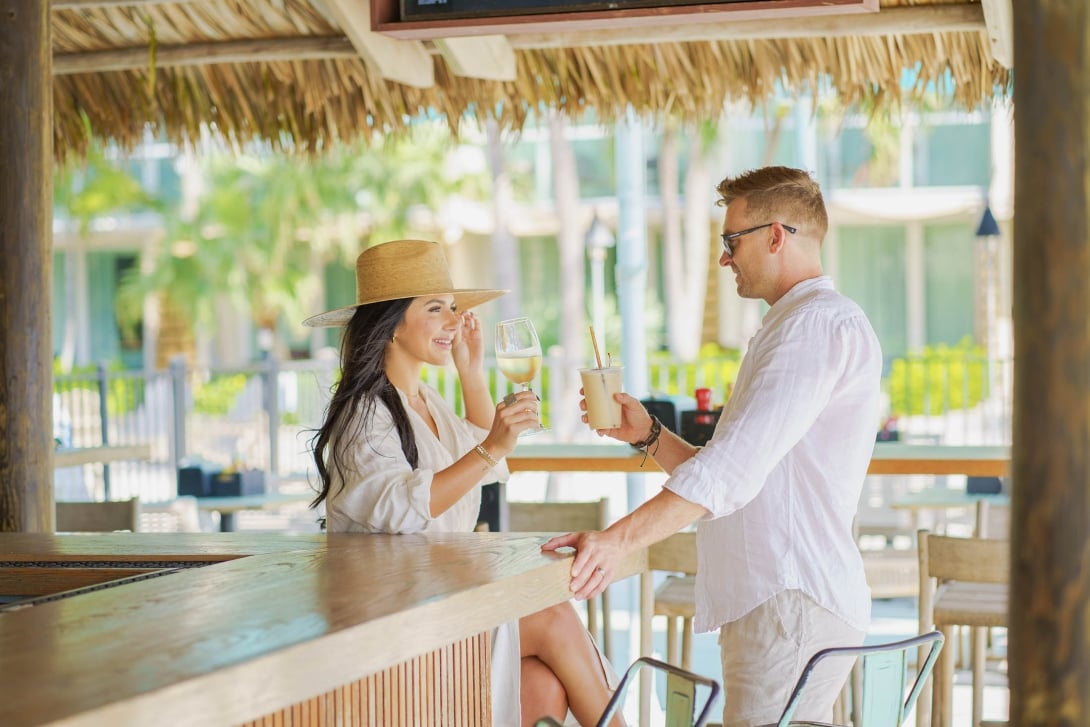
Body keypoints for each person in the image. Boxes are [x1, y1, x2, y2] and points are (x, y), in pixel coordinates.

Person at [544, 166, 882, 726]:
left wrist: (614, 541)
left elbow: (731, 471)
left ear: (776, 236)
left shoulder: (811, 328)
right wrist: (649, 434)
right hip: (783, 601)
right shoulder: (796, 325)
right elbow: (747, 474)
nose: (724, 258)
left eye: (732, 240)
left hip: (787, 602)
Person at [304, 239, 619, 727]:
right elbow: (412, 504)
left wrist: (472, 374)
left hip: (442, 602)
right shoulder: (364, 414)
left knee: (542, 686)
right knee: (555, 619)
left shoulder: (425, 400)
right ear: (391, 326)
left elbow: (479, 463)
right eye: (436, 309)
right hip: (396, 619)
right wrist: (492, 444)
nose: (454, 321)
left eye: (454, 308)